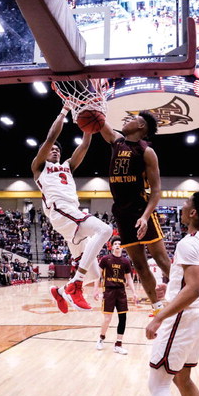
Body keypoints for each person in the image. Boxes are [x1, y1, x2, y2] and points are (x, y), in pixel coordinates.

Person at [31, 104, 112, 312]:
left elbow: (85, 145)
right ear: (44, 152)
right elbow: (50, 138)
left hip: (72, 216)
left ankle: (60, 291)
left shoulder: (67, 166)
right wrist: (65, 110)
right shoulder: (40, 168)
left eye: (58, 149)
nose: (55, 150)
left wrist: (90, 119)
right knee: (105, 230)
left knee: (94, 273)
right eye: (52, 149)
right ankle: (76, 285)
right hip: (62, 212)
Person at [146, 192, 199, 396]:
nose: (183, 207)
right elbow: (194, 283)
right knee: (182, 379)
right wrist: (172, 288)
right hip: (198, 315)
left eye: (186, 204)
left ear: (193, 213)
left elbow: (193, 289)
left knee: (157, 385)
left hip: (184, 316)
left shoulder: (188, 243)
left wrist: (159, 317)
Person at [100, 110, 171, 316]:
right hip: (122, 213)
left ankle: (186, 293)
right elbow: (100, 123)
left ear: (141, 126)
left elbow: (156, 191)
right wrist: (92, 103)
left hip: (141, 209)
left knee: (160, 258)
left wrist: (146, 217)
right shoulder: (116, 141)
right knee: (139, 265)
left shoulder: (147, 152)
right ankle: (157, 307)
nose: (127, 120)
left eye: (133, 119)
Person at [93, 236, 138, 355]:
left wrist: (134, 292)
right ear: (111, 246)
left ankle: (118, 344)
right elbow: (98, 275)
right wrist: (95, 289)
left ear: (122, 246)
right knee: (107, 319)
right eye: (115, 244)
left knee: (123, 318)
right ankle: (101, 338)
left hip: (121, 292)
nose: (118, 245)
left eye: (119, 244)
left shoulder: (126, 261)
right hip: (109, 291)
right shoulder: (105, 259)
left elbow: (129, 278)